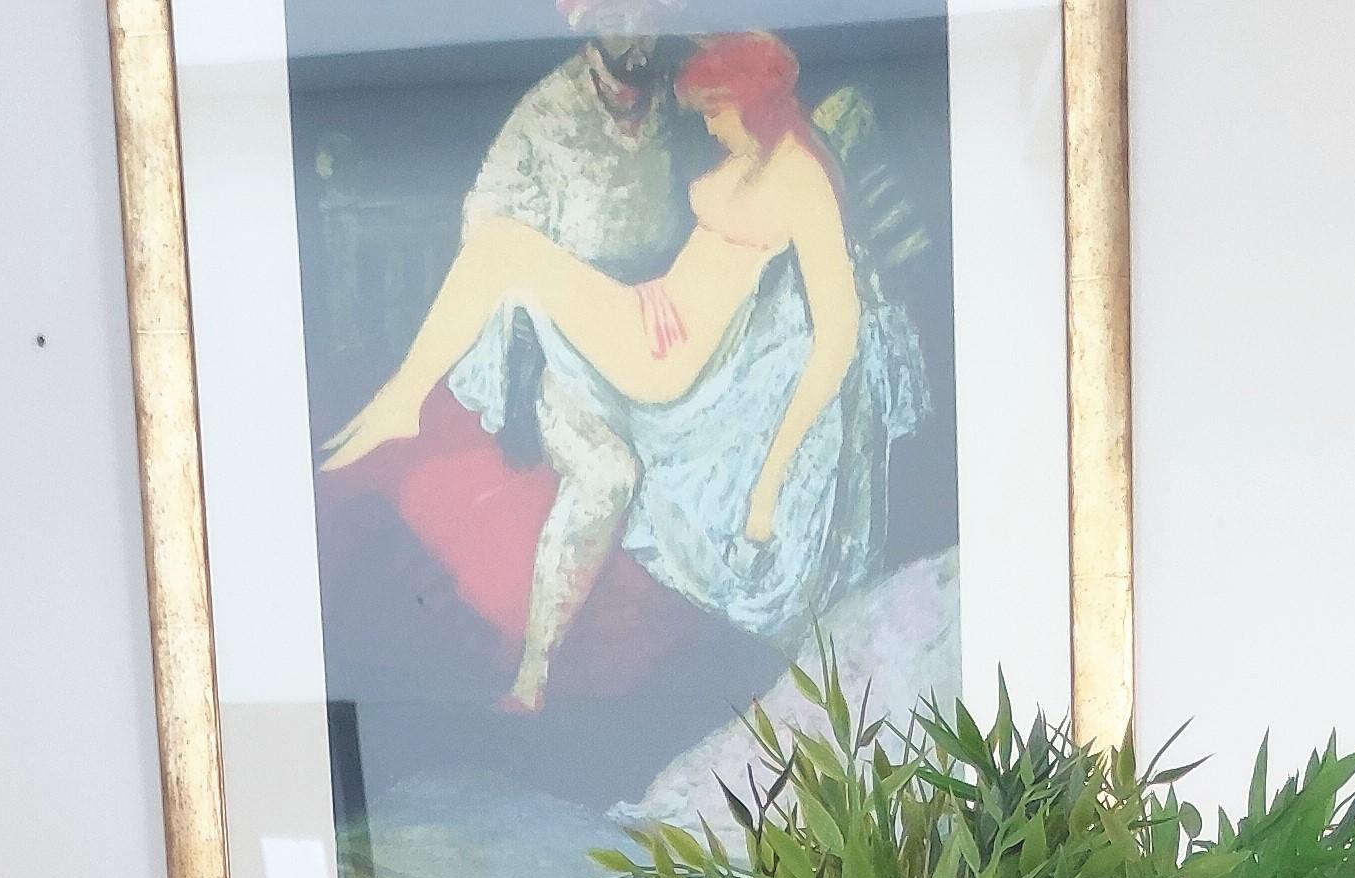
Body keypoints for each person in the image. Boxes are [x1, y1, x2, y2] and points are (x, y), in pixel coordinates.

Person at [324, 34, 919, 682]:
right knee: (503, 250)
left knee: (501, 247)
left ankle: (401, 402)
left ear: (756, 102)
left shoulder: (802, 176)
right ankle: (402, 400)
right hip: (651, 313)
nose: (710, 125)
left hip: (667, 362)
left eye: (719, 110)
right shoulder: (752, 152)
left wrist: (767, 486)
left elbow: (837, 336)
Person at [440, 10, 684, 714]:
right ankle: (533, 678)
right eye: (620, 18)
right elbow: (485, 229)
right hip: (564, 337)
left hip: (671, 322)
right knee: (608, 474)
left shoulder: (683, 96)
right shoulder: (544, 115)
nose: (638, 38)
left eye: (651, 16)